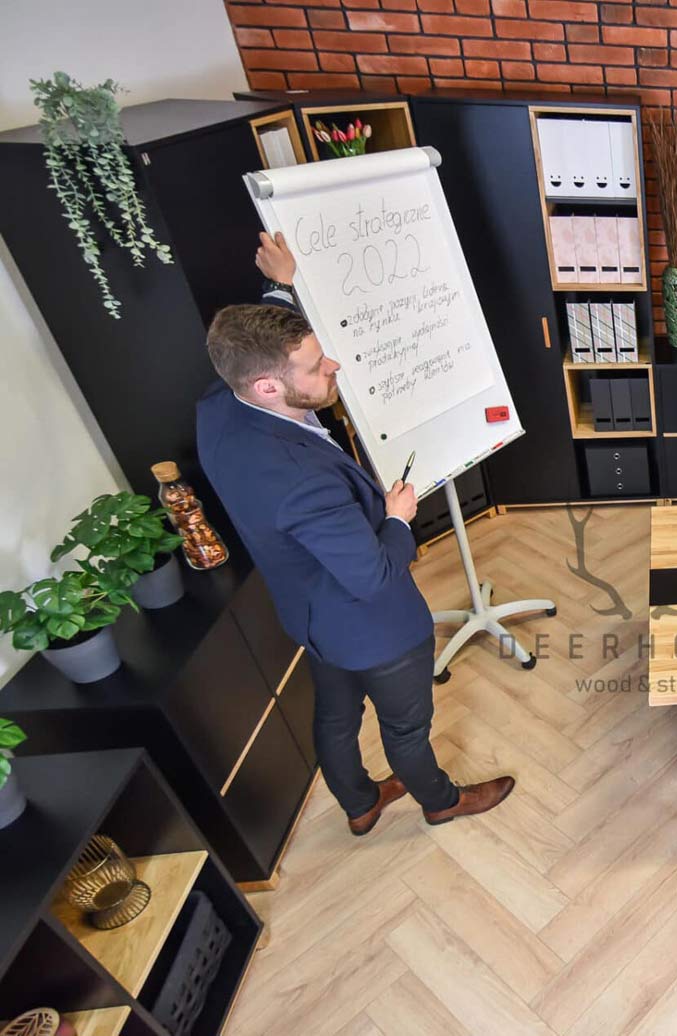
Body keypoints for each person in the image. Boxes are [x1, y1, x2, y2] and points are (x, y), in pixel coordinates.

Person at [197, 231, 514, 837]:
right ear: (269, 387)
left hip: (311, 619)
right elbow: (371, 572)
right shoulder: (300, 481)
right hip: (375, 629)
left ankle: (360, 802)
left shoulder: (220, 407)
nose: (333, 366)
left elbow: (254, 346)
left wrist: (280, 286)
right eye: (317, 367)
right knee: (404, 730)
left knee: (336, 717)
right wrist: (397, 515)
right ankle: (441, 800)